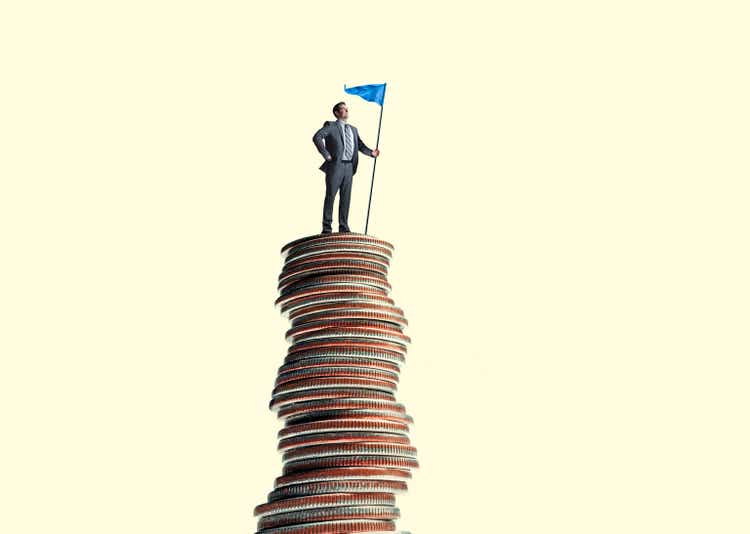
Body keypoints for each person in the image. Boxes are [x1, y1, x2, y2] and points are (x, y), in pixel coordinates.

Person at [312, 101, 380, 233]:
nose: (346, 111)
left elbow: (359, 145)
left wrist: (371, 153)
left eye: (347, 109)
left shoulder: (353, 130)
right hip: (335, 166)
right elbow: (317, 137)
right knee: (330, 196)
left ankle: (344, 227)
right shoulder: (331, 126)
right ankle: (327, 228)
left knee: (346, 197)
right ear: (337, 113)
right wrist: (326, 154)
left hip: (349, 167)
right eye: (343, 109)